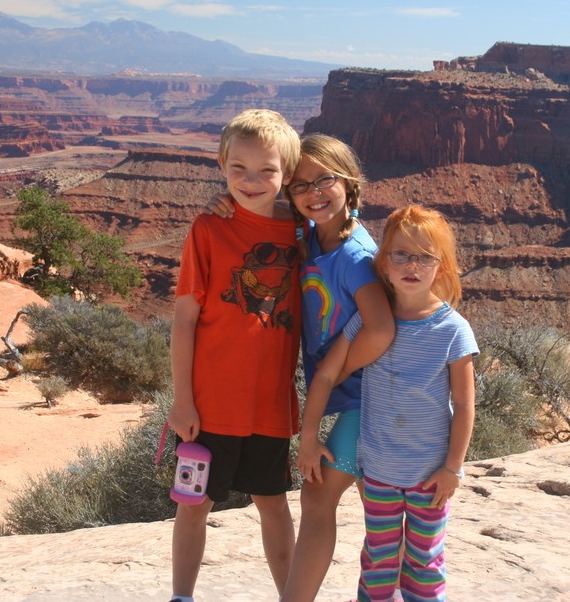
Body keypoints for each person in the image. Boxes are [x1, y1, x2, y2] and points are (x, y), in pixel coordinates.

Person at [205, 133, 395, 602]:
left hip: (369, 404)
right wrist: (225, 200)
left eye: (324, 180)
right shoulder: (311, 234)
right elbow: (263, 210)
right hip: (350, 400)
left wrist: (335, 370)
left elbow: (382, 329)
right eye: (300, 184)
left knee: (318, 498)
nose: (313, 193)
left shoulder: (355, 256)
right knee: (327, 501)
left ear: (349, 182)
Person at [298, 204, 477, 602]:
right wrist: (308, 437)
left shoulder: (453, 330)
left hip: (430, 476)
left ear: (442, 268)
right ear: (384, 260)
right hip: (378, 470)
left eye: (424, 256)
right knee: (377, 559)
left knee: (424, 563)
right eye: (400, 254)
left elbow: (464, 407)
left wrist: (453, 468)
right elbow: (327, 374)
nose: (411, 265)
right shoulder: (367, 319)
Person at [166, 109, 303, 602]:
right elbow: (184, 318)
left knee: (274, 505)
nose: (251, 180)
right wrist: (183, 401)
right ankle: (182, 595)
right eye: (238, 168)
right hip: (210, 404)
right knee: (193, 503)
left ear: (286, 174)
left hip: (269, 402)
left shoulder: (301, 233)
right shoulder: (208, 227)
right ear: (222, 166)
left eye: (266, 170)